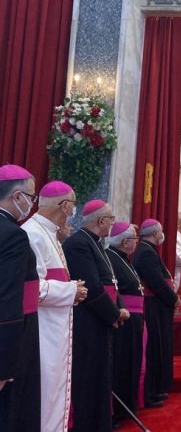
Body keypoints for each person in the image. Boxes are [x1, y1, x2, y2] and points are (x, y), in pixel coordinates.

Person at [23, 181, 87, 431]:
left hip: (56, 329)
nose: (73, 211)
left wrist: (70, 288)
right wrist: (71, 291)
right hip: (41, 330)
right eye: (73, 204)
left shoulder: (51, 234)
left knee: (53, 392)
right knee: (44, 392)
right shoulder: (33, 234)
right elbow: (32, 288)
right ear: (65, 205)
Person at [63, 199, 129, 431]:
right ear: (101, 220)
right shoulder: (78, 244)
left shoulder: (95, 243)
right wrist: (113, 314)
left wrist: (117, 309)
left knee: (101, 375)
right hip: (88, 321)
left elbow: (111, 281)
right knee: (89, 377)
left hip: (101, 320)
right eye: (111, 219)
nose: (112, 223)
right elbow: (91, 286)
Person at [0, 165, 41, 432]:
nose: (31, 203)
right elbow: (8, 298)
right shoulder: (14, 235)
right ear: (16, 196)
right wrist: (4, 366)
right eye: (31, 196)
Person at [133, 219, 176, 406]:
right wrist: (173, 299)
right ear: (155, 233)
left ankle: (158, 388)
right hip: (154, 306)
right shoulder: (146, 253)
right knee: (154, 347)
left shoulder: (148, 250)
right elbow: (157, 282)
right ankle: (151, 392)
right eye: (160, 231)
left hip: (158, 305)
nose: (162, 235)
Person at [106, 222, 144, 427]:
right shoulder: (110, 258)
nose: (136, 243)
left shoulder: (123, 259)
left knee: (131, 362)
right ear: (124, 241)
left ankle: (127, 406)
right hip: (123, 319)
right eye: (134, 239)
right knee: (121, 364)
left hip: (134, 319)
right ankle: (116, 411)